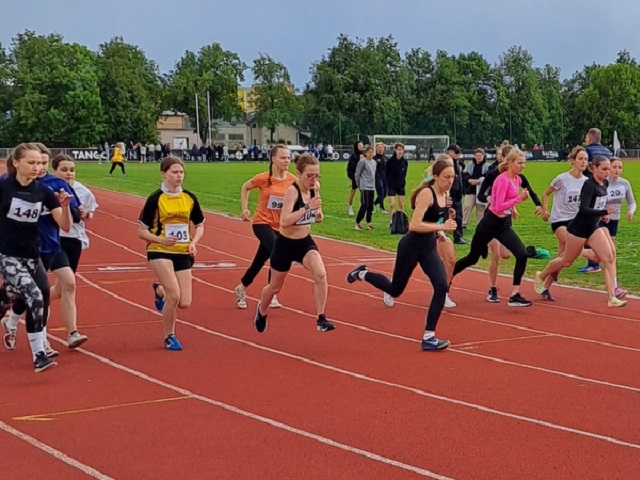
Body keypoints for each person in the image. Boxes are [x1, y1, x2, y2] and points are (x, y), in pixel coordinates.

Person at [346, 158, 456, 351]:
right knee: (395, 289)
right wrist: (441, 226)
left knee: (441, 286)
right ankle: (362, 273)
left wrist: (440, 232)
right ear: (436, 177)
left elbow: (435, 217)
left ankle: (429, 336)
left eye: (453, 177)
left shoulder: (444, 194)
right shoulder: (426, 194)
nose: (450, 181)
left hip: (428, 246)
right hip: (411, 246)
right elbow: (414, 225)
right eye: (446, 177)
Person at [3, 145, 84, 354]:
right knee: (31, 294)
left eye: (41, 162)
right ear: (17, 163)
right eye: (33, 162)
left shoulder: (51, 187)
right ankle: (38, 347)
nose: (38, 167)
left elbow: (71, 219)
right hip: (11, 250)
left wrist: (67, 206)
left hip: (46, 247)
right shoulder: (6, 185)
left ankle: (18, 326)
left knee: (31, 294)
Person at [253, 155, 334, 334]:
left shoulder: (315, 188)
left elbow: (317, 209)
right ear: (299, 174)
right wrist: (307, 208)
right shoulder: (292, 191)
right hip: (285, 245)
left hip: (304, 242)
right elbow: (285, 221)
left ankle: (321, 318)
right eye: (309, 176)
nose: (314, 180)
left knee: (320, 274)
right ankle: (262, 310)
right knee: (275, 287)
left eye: (317, 175)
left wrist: (319, 214)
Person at [535, 156, 626, 308]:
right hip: (578, 229)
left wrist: (603, 215)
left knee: (608, 257)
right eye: (604, 169)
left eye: (608, 169)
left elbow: (596, 205)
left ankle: (612, 297)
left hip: (593, 228)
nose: (607, 172)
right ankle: (542, 275)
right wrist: (603, 211)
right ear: (594, 168)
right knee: (566, 261)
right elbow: (583, 209)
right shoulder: (588, 185)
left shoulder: (605, 183)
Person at [137, 156, 205, 350]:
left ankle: (159, 289)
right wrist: (161, 240)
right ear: (164, 174)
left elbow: (200, 225)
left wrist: (194, 242)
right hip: (159, 250)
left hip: (183, 251)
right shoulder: (155, 199)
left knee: (184, 302)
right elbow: (141, 231)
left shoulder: (189, 198)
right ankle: (170, 335)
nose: (179, 176)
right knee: (174, 295)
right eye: (174, 172)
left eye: (181, 172)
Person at [452, 149, 533, 307]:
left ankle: (515, 295)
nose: (523, 166)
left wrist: (514, 206)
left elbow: (507, 203)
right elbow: (497, 207)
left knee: (522, 254)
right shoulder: (502, 180)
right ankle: (446, 279)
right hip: (489, 224)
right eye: (520, 163)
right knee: (472, 258)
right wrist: (519, 199)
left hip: (503, 226)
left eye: (524, 163)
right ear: (510, 163)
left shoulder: (516, 180)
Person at [475, 145, 543, 303]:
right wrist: (490, 199)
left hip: (505, 220)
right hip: (491, 218)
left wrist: (537, 205)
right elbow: (481, 194)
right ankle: (492, 289)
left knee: (506, 254)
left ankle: (523, 252)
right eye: (500, 155)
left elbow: (529, 190)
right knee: (496, 255)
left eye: (502, 156)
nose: (500, 158)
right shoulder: (493, 174)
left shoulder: (518, 176)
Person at [234, 144, 296, 309]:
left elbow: (304, 192)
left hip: (280, 226)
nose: (287, 161)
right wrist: (244, 208)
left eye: (289, 157)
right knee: (277, 251)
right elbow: (245, 187)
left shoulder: (292, 180)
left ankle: (241, 287)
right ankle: (271, 293)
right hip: (262, 222)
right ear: (273, 159)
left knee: (259, 261)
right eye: (283, 157)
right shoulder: (263, 178)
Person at [538, 146, 588, 301]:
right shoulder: (562, 179)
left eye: (585, 159)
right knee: (572, 250)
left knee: (563, 259)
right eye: (580, 159)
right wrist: (545, 210)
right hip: (559, 220)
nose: (583, 162)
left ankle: (545, 287)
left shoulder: (587, 182)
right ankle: (542, 275)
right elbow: (546, 194)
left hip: (575, 222)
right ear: (572, 161)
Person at [602, 157, 636, 298]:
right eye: (614, 167)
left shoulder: (624, 183)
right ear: (609, 168)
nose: (617, 170)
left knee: (604, 256)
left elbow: (632, 202)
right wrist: (603, 212)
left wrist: (631, 211)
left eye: (620, 167)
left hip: (614, 221)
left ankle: (576, 252)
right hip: (601, 220)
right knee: (610, 255)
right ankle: (614, 288)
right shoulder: (603, 183)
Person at [462, 148, 490, 228]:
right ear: (474, 156)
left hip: (482, 190)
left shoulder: (487, 166)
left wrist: (479, 181)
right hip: (471, 190)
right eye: (477, 155)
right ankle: (464, 224)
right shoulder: (470, 164)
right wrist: (469, 180)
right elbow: (464, 174)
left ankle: (480, 225)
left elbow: (487, 176)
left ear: (483, 156)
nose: (478, 157)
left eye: (480, 156)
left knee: (481, 208)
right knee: (467, 206)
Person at [446, 145, 466, 244]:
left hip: (457, 193)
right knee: (444, 213)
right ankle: (441, 233)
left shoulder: (459, 163)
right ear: (450, 152)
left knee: (458, 215)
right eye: (456, 152)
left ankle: (458, 237)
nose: (458, 154)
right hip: (448, 193)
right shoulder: (445, 163)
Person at [354, 145, 377, 230]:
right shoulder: (363, 162)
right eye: (369, 152)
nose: (371, 154)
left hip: (371, 186)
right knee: (365, 204)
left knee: (370, 206)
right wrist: (359, 185)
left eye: (372, 152)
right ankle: (357, 222)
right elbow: (357, 174)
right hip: (364, 186)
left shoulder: (374, 162)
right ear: (366, 153)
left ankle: (368, 223)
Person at [385, 143, 408, 220]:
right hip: (391, 186)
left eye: (402, 149)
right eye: (399, 149)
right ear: (395, 150)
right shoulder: (390, 161)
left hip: (401, 186)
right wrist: (389, 183)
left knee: (401, 204)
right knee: (392, 204)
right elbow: (386, 174)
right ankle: (391, 221)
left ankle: (401, 221)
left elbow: (404, 174)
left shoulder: (405, 162)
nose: (400, 151)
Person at [346, 141, 363, 216]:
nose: (361, 147)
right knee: (353, 193)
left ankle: (362, 207)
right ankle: (350, 207)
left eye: (361, 145)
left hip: (363, 177)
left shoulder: (363, 154)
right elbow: (351, 167)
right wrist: (352, 177)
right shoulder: (354, 156)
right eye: (359, 145)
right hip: (355, 177)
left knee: (363, 193)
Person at [372, 142, 388, 213]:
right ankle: (381, 208)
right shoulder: (374, 158)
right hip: (377, 178)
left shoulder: (386, 158)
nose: (381, 149)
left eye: (382, 147)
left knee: (385, 193)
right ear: (376, 149)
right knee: (381, 192)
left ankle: (374, 204)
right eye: (379, 147)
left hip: (385, 178)